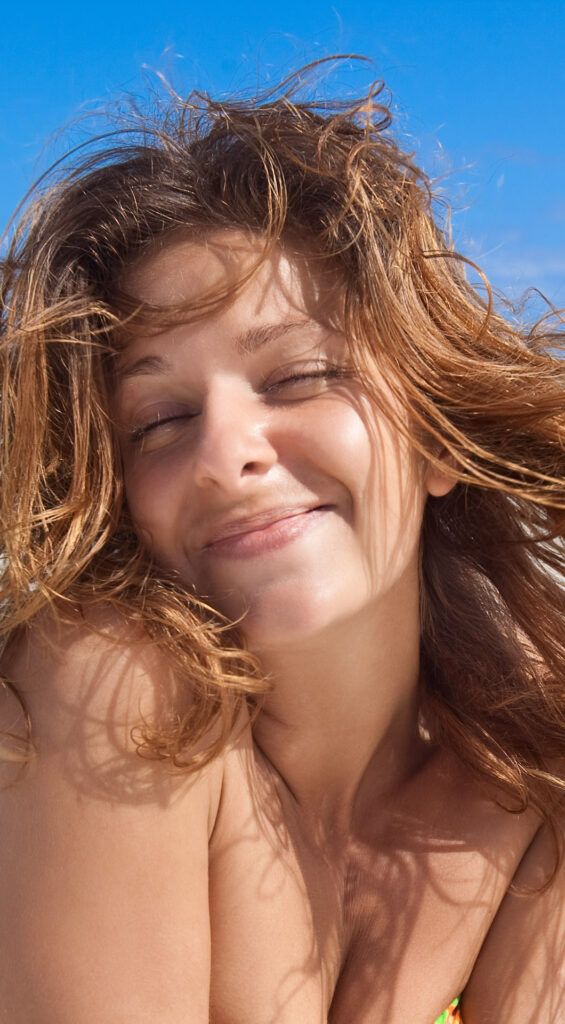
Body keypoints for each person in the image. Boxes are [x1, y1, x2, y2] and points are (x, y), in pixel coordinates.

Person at [1, 61, 564, 1023]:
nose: (225, 455)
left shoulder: (533, 776)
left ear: (435, 437)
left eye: (299, 375)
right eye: (158, 422)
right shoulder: (107, 695)